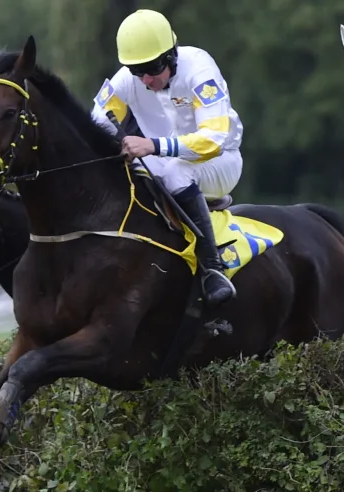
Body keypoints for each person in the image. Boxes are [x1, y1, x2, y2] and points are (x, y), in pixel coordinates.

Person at [90, 8, 241, 306]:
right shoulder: (127, 78)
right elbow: (94, 125)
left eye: (154, 68)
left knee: (174, 173)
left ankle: (213, 269)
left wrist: (153, 145)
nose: (146, 79)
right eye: (137, 71)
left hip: (219, 161)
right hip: (162, 161)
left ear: (172, 55)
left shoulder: (200, 68)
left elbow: (214, 138)